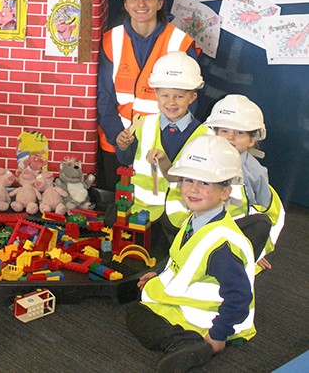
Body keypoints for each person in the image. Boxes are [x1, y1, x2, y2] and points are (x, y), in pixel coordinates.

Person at [126, 135, 256, 372]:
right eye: (188, 180)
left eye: (204, 183)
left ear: (225, 192)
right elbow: (179, 255)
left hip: (208, 321)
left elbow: (240, 297)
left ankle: (185, 345)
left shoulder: (221, 246)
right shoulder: (195, 220)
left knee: (137, 315)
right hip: (183, 304)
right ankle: (183, 341)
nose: (193, 189)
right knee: (137, 299)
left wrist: (218, 335)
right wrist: (158, 272)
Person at [97, 0, 201, 191]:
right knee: (118, 211)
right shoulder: (109, 41)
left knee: (155, 209)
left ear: (160, 1)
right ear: (125, 3)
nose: (140, 4)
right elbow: (104, 97)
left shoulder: (180, 43)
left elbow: (190, 101)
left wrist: (169, 141)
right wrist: (117, 136)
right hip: (116, 143)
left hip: (163, 146)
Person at [115, 52, 210, 248]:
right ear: (156, 94)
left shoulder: (205, 135)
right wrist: (123, 146)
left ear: (192, 97)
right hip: (142, 213)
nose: (171, 102)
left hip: (182, 219)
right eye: (165, 95)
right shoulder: (143, 125)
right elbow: (126, 160)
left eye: (179, 96)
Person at [203, 94, 285, 270]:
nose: (230, 138)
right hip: (202, 233)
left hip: (236, 239)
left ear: (251, 140)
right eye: (224, 131)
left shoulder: (256, 174)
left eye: (239, 133)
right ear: (215, 132)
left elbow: (264, 217)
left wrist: (256, 249)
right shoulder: (203, 160)